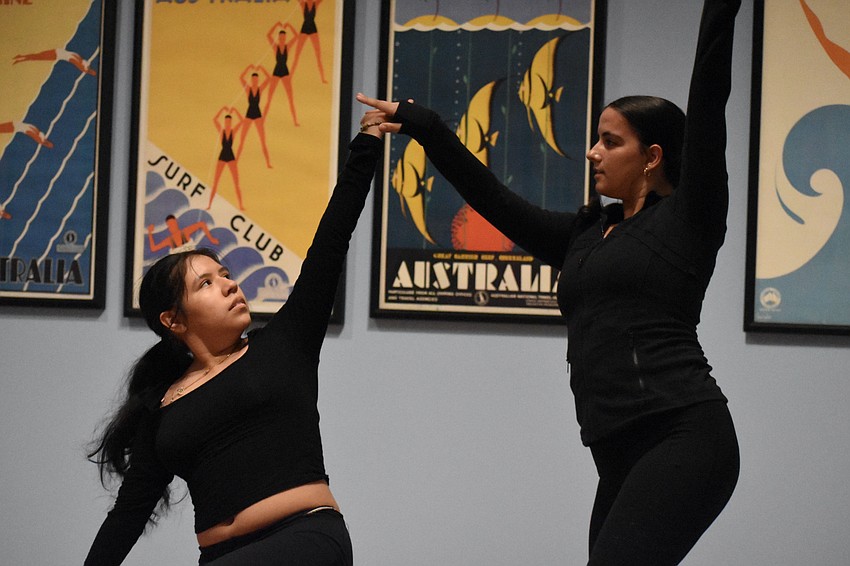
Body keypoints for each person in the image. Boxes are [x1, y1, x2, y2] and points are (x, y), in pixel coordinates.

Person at [357, 0, 741, 563]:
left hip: (681, 432)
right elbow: (494, 200)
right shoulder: (588, 234)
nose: (592, 151)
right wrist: (428, 129)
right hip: (615, 448)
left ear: (653, 156)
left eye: (611, 141)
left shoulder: (690, 218)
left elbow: (709, 89)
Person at [84, 114, 386, 565]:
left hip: (307, 539)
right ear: (174, 320)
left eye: (226, 275)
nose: (229, 285)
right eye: (205, 283)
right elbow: (128, 515)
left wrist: (366, 146)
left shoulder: (285, 344)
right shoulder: (162, 405)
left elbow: (330, 242)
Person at [208, 107, 245, 211]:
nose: (227, 123)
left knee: (236, 181)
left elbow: (242, 121)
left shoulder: (233, 131)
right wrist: (222, 109)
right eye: (226, 121)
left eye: (229, 121)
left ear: (231, 122)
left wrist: (235, 110)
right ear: (224, 122)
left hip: (231, 156)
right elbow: (214, 120)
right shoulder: (221, 131)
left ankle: (240, 205)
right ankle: (210, 204)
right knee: (216, 181)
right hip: (222, 156)